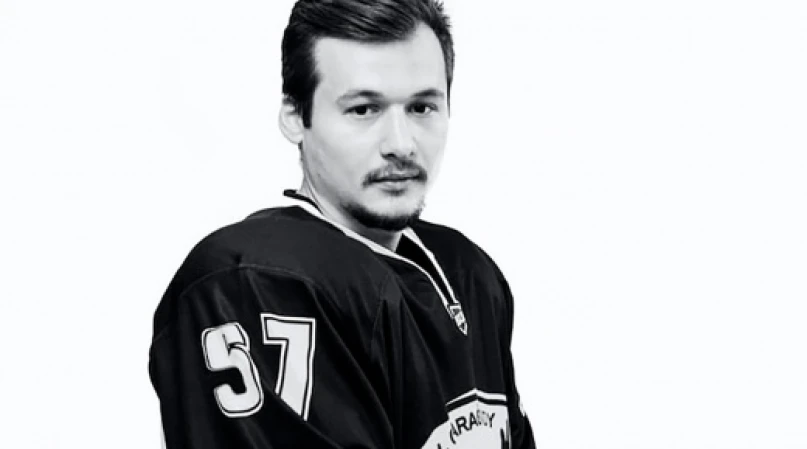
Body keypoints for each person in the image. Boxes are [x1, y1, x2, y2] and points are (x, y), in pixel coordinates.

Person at [148, 0, 536, 447]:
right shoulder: (256, 281)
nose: (401, 144)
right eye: (364, 110)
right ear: (295, 117)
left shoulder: (468, 273)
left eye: (421, 107)